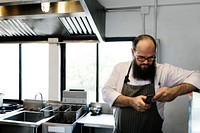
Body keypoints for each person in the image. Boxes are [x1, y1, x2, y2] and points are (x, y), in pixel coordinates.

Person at [102, 34, 200, 133]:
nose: (145, 62)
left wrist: (174, 92)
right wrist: (130, 101)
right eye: (141, 58)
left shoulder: (163, 71)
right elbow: (106, 93)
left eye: (150, 58)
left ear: (155, 53)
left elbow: (197, 76)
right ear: (133, 52)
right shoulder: (120, 69)